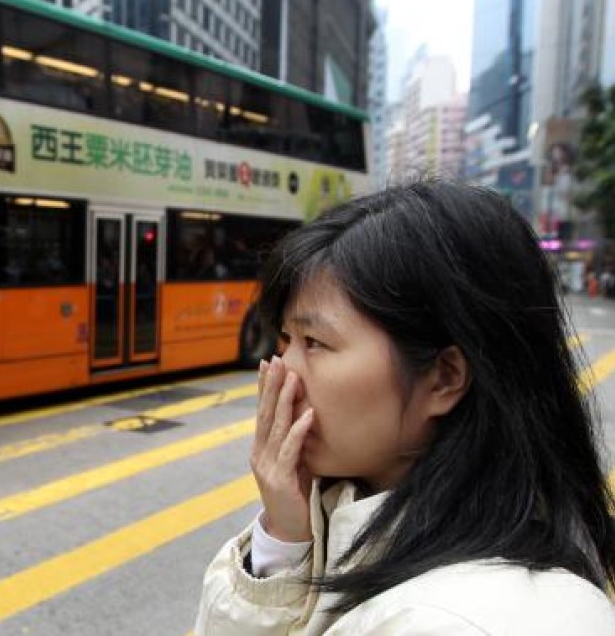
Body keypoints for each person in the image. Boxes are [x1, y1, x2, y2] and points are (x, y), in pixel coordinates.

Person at [195, 181, 615, 635]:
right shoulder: (350, 524)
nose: (282, 372)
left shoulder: (449, 622)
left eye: (314, 342)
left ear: (445, 377)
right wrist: (282, 538)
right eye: (285, 340)